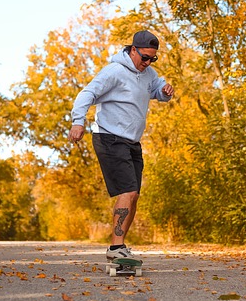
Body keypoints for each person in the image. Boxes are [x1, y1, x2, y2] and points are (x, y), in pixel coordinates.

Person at [68, 30, 174, 261]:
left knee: (134, 194)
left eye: (152, 58)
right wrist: (78, 122)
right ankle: (116, 248)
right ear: (133, 50)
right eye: (144, 57)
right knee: (128, 191)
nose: (147, 62)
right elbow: (87, 93)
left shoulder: (148, 73)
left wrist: (165, 92)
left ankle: (120, 246)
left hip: (131, 142)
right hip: (110, 138)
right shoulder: (114, 71)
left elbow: (156, 89)